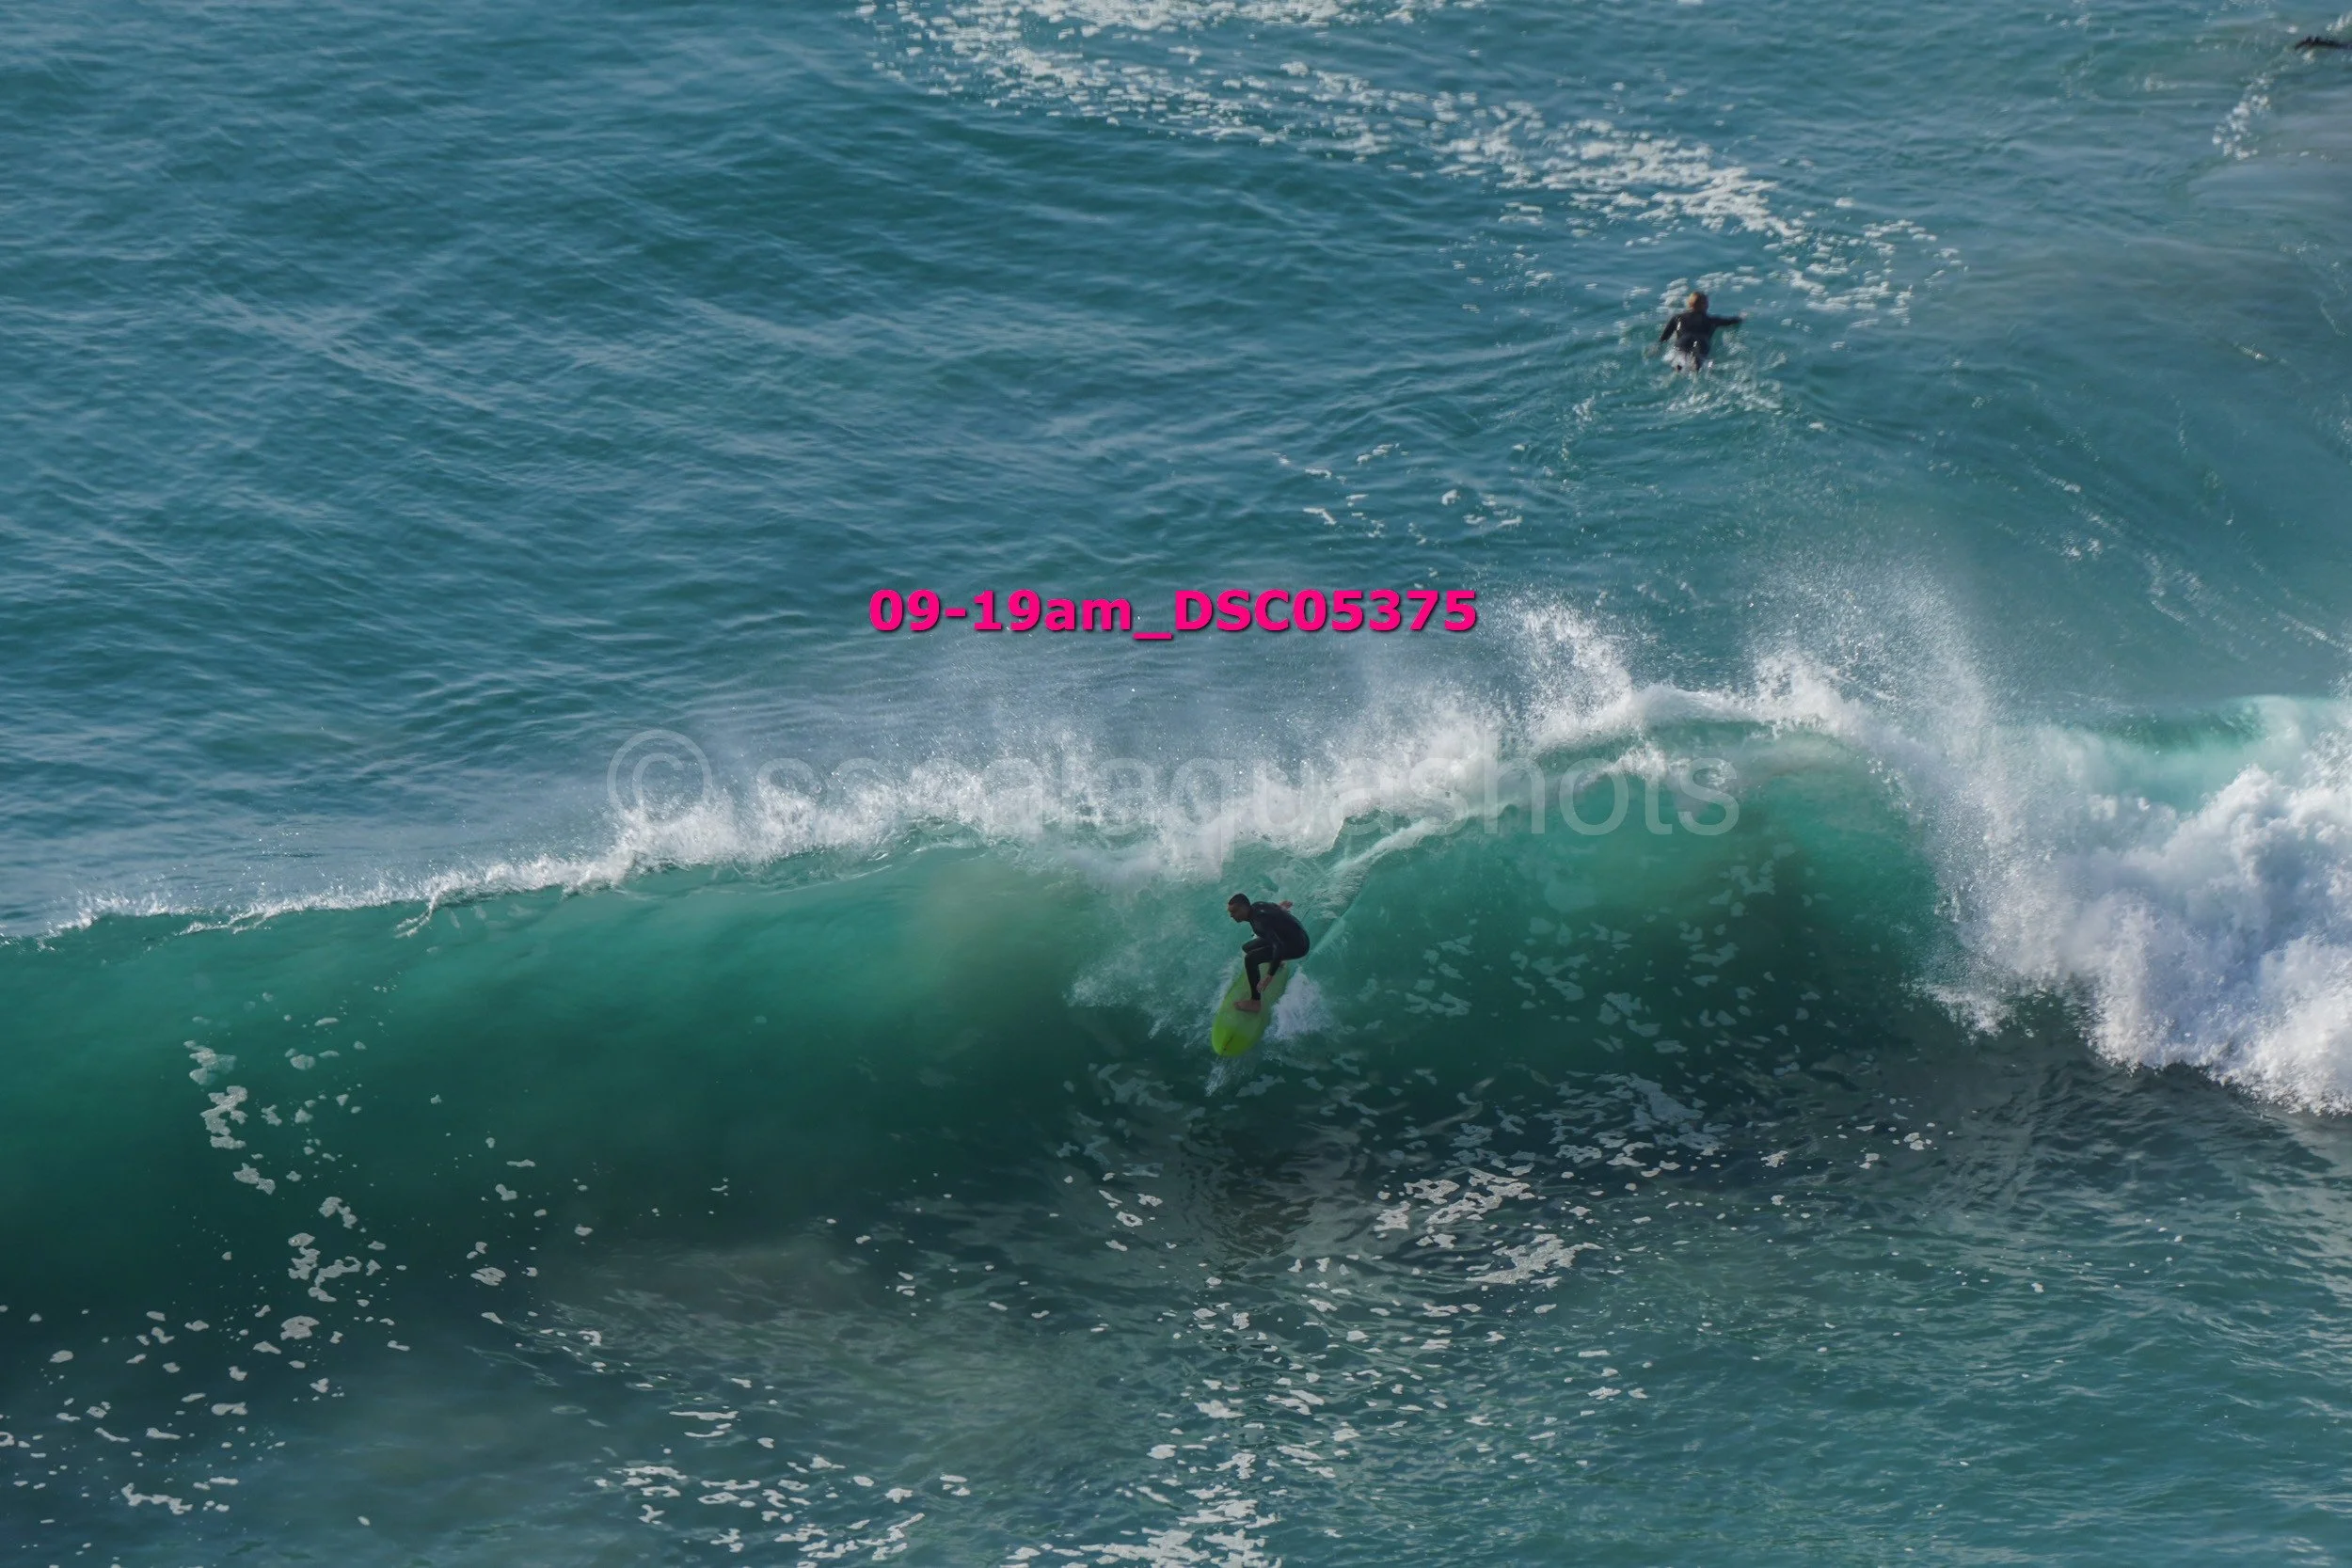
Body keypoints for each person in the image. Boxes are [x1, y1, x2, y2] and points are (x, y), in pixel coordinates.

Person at [1227, 894, 1309, 1013]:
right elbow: (1274, 907)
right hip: (1293, 935)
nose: (1231, 916)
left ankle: (1255, 1002)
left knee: (1250, 959)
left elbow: (1278, 946)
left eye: (1234, 912)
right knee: (1247, 947)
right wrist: (1281, 908)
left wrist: (1270, 975)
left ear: (1244, 908)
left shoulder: (1259, 923)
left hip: (1298, 945)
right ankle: (1275, 959)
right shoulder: (1257, 906)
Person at [1658, 291, 1743, 369]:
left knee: (1681, 360)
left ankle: (1679, 368)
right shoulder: (1712, 320)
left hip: (1684, 341)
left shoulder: (1677, 318)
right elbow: (1731, 321)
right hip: (1702, 342)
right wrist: (1742, 317)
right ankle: (1696, 368)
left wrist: (1658, 347)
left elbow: (1663, 338)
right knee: (1698, 362)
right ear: (1705, 305)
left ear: (1690, 304)